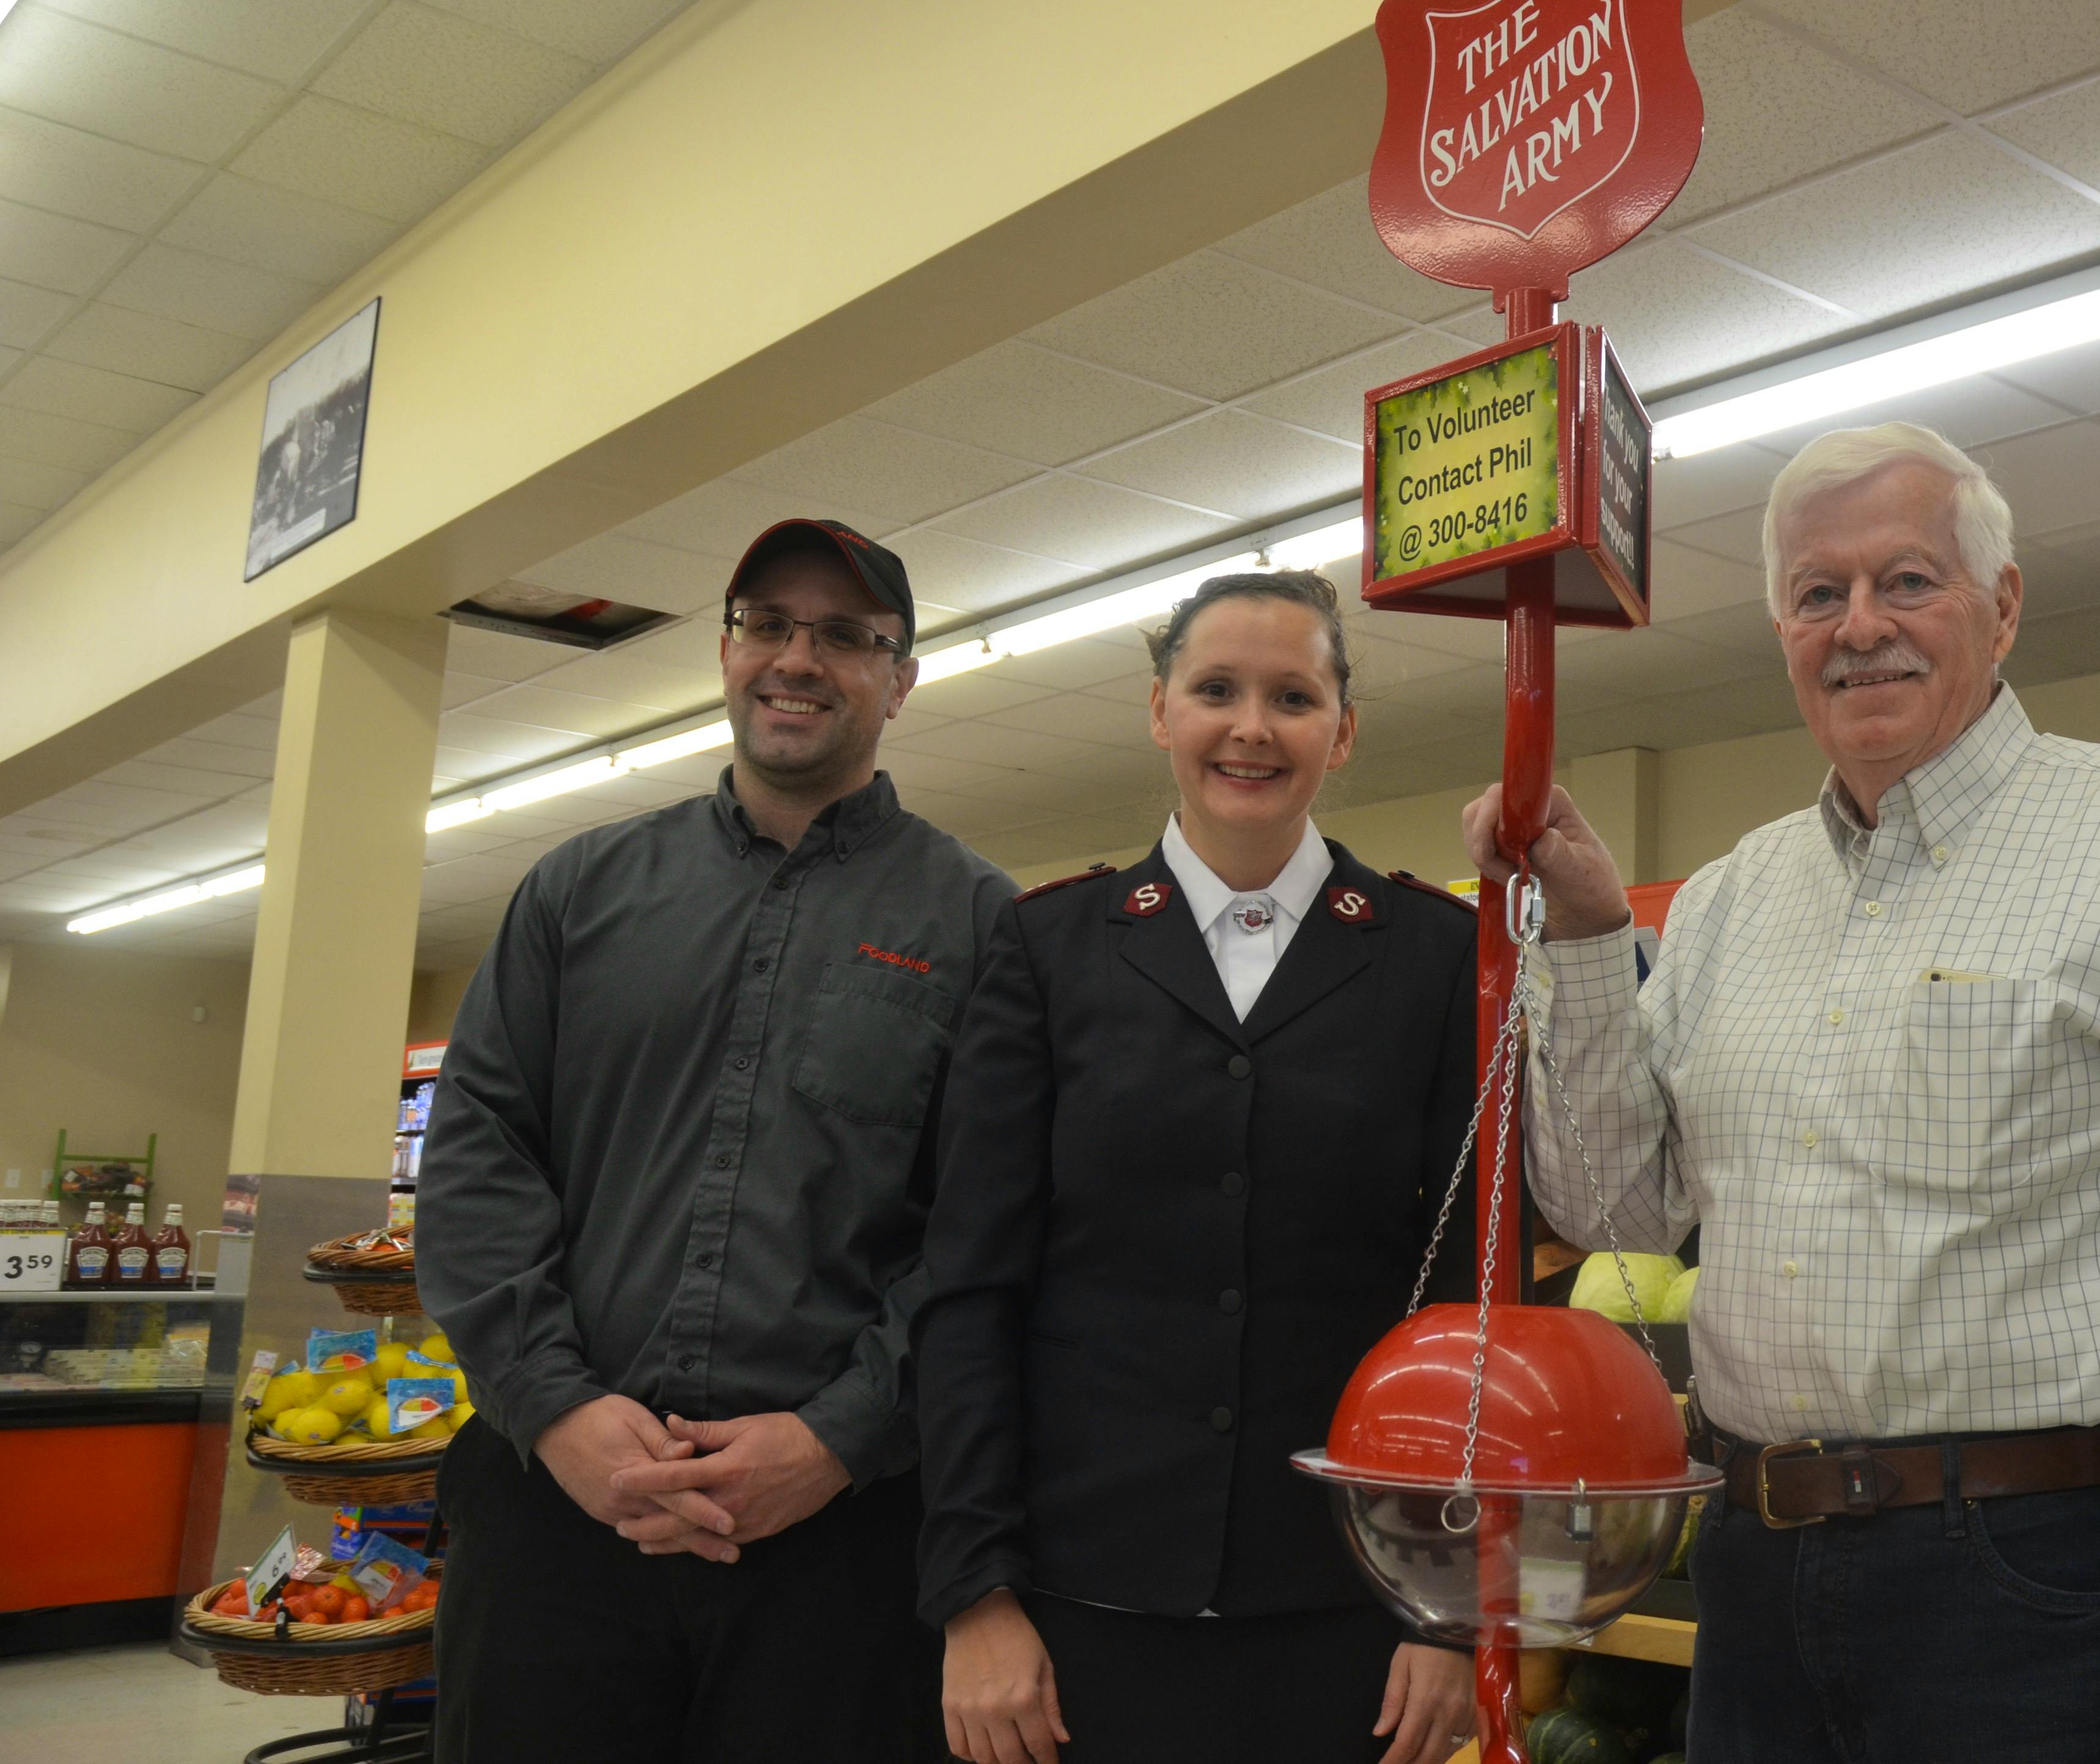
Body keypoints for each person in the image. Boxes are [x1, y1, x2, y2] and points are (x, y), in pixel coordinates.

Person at [1465, 423, 2100, 1764]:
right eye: (1820, 593)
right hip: (1758, 1572)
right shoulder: (1725, 902)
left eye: (1908, 581)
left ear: (2001, 608)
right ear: (1781, 629)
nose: (1860, 626)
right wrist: (1589, 939)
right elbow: (1616, 1210)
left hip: (2038, 1581)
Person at [419, 518, 1013, 1763]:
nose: (799, 658)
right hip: (557, 1521)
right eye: (769, 625)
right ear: (728, 650)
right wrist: (558, 1410)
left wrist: (842, 1437)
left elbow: (990, 1229)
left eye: (846, 636)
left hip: (833, 1548)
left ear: (901, 680)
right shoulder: (579, 892)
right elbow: (480, 1155)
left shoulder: (979, 925)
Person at [918, 569, 1481, 1764]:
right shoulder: (1046, 950)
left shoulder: (1436, 956)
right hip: (1076, 1614)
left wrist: (1448, 1604)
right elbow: (972, 1288)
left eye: (1293, 695)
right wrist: (975, 1592)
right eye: (1215, 689)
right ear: (1159, 708)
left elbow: (1463, 1308)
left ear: (1343, 728)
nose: (1251, 727)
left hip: (1352, 1617)